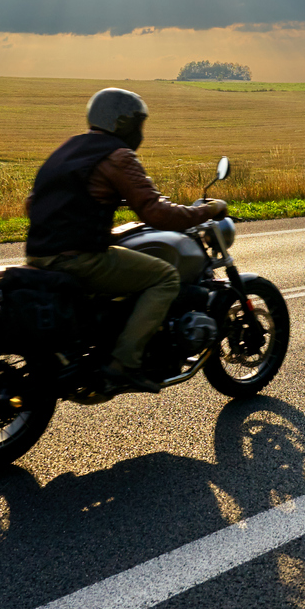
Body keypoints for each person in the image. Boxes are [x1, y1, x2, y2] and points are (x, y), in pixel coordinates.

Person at [22, 87, 228, 393]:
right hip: (79, 259)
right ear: (125, 123)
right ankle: (123, 364)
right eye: (139, 124)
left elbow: (33, 203)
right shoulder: (118, 155)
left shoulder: (70, 148)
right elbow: (156, 213)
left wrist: (100, 206)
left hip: (39, 255)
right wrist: (206, 210)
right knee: (165, 278)